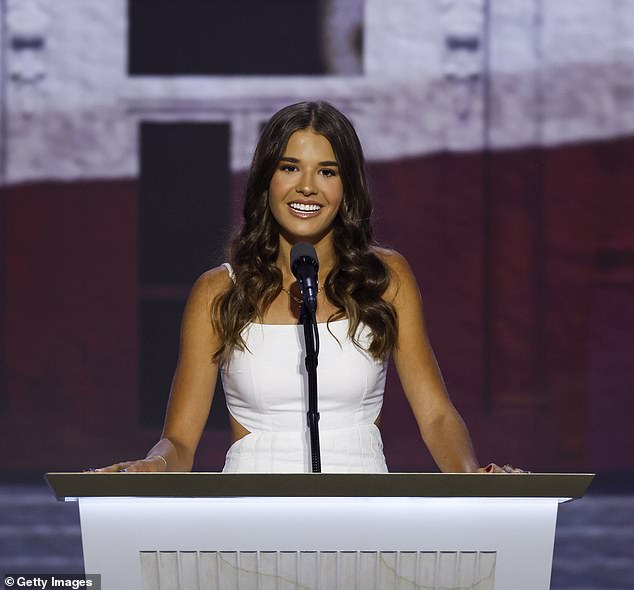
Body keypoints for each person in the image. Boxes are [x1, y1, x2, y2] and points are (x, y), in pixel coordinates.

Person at [97, 101, 523, 474]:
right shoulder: (218, 293)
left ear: (346, 187)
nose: (307, 186)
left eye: (327, 171)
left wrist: (471, 475)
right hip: (252, 519)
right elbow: (181, 442)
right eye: (289, 168)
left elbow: (435, 416)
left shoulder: (386, 279)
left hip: (363, 515)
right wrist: (153, 464)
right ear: (267, 180)